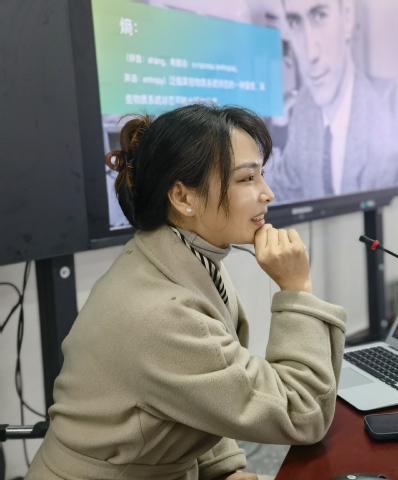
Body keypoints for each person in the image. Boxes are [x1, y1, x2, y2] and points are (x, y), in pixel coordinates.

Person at [26, 104, 347, 480]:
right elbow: (302, 413)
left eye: (262, 175)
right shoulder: (163, 312)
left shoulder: (178, 255)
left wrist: (222, 470)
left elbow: (197, 391)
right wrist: (297, 289)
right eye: (247, 179)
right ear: (182, 198)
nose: (267, 194)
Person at [264, 0, 398, 201]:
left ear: (347, 18)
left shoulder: (386, 128)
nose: (311, 54)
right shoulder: (305, 104)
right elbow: (285, 188)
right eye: (295, 23)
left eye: (320, 16)